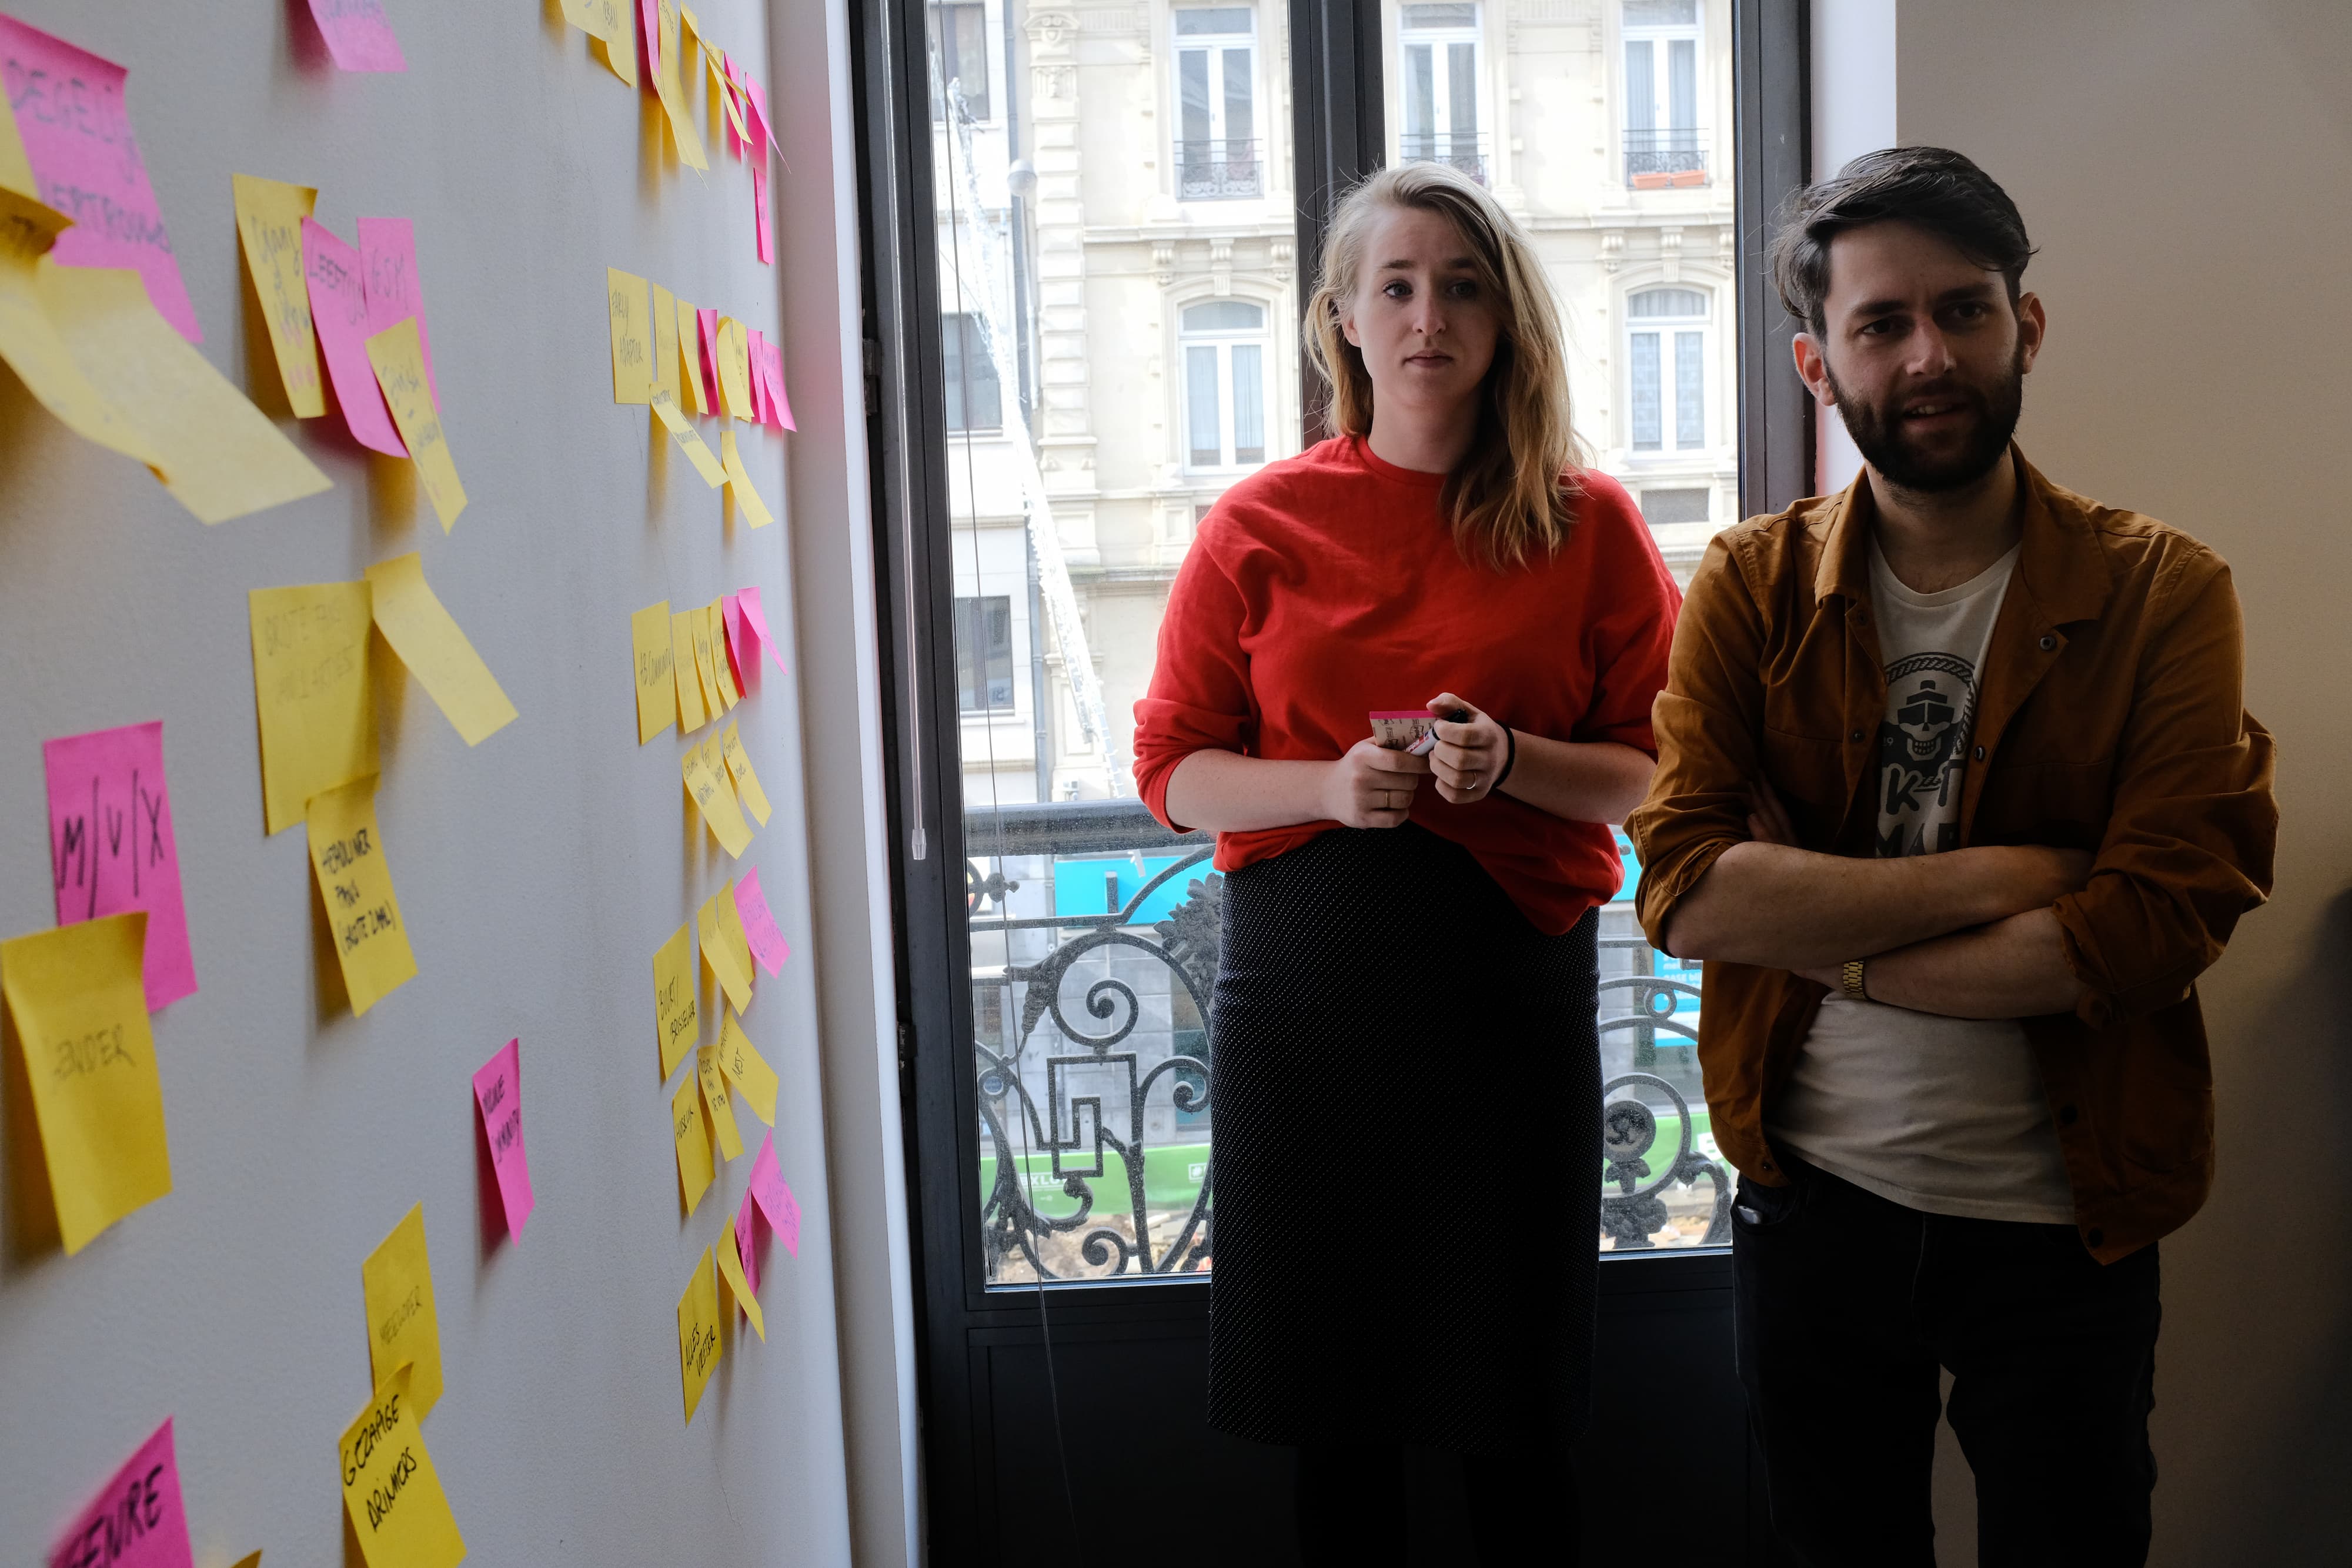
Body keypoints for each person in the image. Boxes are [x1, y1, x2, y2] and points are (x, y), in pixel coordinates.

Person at [1625, 146, 2278, 1566]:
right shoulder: (1746, 583)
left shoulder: (2163, 592)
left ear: (2021, 326)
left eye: (1962, 310)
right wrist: (2014, 874)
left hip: (2064, 1216)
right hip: (1812, 1201)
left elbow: (2146, 926)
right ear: (1815, 364)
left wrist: (1823, 934)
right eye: (1880, 323)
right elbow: (1684, 889)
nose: (1928, 354)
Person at [1130, 161, 1681, 1565]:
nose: (1427, 314)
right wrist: (1325, 784)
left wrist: (1512, 761)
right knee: (1337, 1424)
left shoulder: (1588, 523)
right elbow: (1171, 769)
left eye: (1460, 285)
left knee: (1515, 1415)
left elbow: (1655, 763)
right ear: (1342, 318)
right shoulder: (1253, 522)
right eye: (1395, 285)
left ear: (1503, 318)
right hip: (1305, 1003)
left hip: (1507, 1002)